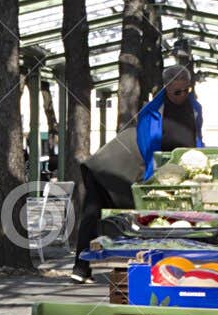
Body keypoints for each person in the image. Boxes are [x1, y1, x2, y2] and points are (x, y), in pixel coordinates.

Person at [71, 66, 203, 283]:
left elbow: (196, 141)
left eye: (185, 91)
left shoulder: (195, 109)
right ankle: (80, 268)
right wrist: (153, 180)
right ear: (166, 88)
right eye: (176, 92)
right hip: (111, 167)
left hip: (132, 166)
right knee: (93, 212)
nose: (181, 96)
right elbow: (148, 148)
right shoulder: (152, 112)